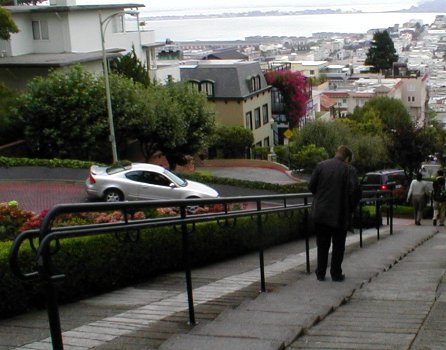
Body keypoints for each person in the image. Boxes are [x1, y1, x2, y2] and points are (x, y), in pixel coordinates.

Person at [308, 145, 360, 282]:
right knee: (338, 245)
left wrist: (320, 198)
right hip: (340, 213)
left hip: (321, 213)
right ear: (347, 158)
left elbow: (311, 186)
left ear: (336, 153)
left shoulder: (321, 166)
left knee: (322, 245)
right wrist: (351, 207)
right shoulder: (349, 170)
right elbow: (354, 190)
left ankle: (320, 273)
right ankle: (336, 273)